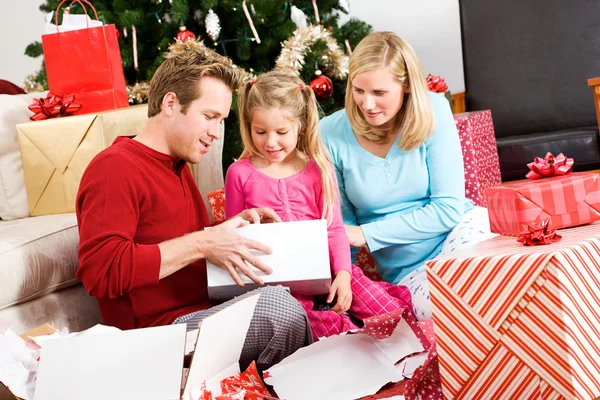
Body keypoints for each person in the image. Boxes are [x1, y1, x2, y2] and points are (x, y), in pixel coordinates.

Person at [76, 49, 312, 370]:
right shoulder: (115, 167)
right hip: (155, 336)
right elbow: (100, 271)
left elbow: (175, 241)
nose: (216, 133)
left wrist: (229, 230)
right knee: (277, 311)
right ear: (171, 104)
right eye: (209, 117)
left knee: (286, 292)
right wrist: (203, 243)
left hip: (202, 313)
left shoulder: (177, 164)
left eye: (221, 121)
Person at [225, 71, 412, 339]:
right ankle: (348, 333)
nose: (271, 142)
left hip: (329, 270)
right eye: (260, 131)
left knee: (392, 315)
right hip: (280, 285)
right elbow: (234, 236)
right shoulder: (239, 173)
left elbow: (334, 228)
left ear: (299, 125)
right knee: (299, 323)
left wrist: (344, 276)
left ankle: (359, 326)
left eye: (281, 132)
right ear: (248, 125)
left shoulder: (317, 169)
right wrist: (248, 220)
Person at [320, 31, 490, 321]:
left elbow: (448, 210)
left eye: (379, 93)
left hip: (458, 233)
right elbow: (343, 225)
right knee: (443, 309)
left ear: (407, 86)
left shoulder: (434, 109)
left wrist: (368, 234)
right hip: (406, 271)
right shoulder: (330, 132)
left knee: (488, 283)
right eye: (359, 90)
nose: (367, 104)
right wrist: (341, 280)